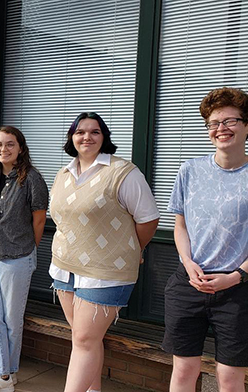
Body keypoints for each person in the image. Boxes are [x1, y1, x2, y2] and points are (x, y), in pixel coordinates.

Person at [49, 112, 159, 392]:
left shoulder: (123, 172)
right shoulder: (63, 173)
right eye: (80, 132)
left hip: (106, 271)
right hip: (65, 267)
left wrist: (134, 248)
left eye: (94, 132)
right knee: (84, 340)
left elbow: (148, 219)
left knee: (84, 340)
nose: (87, 137)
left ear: (104, 137)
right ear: (71, 138)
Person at [163, 87, 248, 392]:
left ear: (246, 125)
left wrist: (236, 277)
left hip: (238, 291)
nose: (220, 129)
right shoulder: (190, 170)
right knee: (185, 370)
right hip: (189, 284)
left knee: (228, 378)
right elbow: (180, 226)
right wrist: (187, 263)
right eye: (213, 123)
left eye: (230, 121)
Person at [0, 127, 49, 392]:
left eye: (9, 144)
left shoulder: (32, 179)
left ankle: (4, 376)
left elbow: (39, 219)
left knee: (11, 318)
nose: (3, 149)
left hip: (18, 251)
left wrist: (29, 248)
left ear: (20, 148)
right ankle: (3, 373)